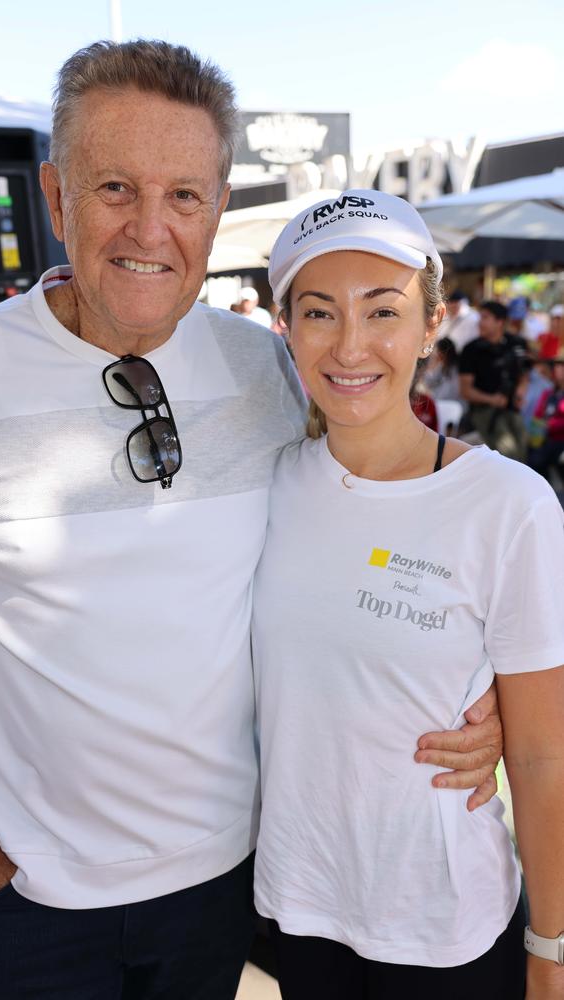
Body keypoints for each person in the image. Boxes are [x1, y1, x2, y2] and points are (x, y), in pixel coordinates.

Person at [0, 43, 500, 1000]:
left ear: (217, 209)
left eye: (185, 195)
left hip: (231, 883)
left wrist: (487, 702)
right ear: (56, 198)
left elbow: (392, 523)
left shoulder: (266, 367)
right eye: (115, 187)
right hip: (27, 902)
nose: (152, 227)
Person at [252, 189, 564, 999]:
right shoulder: (264, 485)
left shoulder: (511, 504)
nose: (351, 346)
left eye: (382, 311)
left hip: (446, 930)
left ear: (432, 324)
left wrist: (552, 948)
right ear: (284, 326)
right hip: (299, 911)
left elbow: (539, 754)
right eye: (319, 313)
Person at [459, 300, 530, 460]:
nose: (480, 323)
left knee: (524, 447)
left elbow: (524, 373)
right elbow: (465, 390)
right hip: (484, 412)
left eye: (485, 318)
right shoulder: (471, 349)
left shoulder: (516, 343)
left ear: (500, 322)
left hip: (512, 409)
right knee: (509, 453)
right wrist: (492, 399)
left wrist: (521, 389)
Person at [528, 351, 564, 482]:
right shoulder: (549, 392)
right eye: (557, 365)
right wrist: (535, 439)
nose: (559, 369)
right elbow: (538, 415)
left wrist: (550, 425)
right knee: (534, 462)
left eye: (562, 365)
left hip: (561, 442)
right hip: (546, 441)